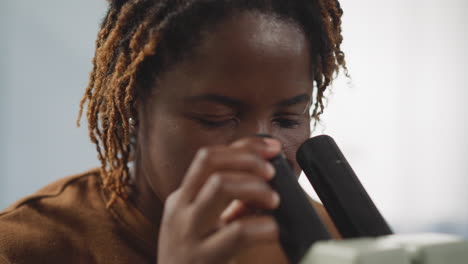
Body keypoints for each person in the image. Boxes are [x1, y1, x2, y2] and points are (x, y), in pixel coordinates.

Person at [0, 0, 348, 263]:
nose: (267, 152)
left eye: (288, 119)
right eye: (215, 117)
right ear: (135, 106)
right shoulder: (21, 246)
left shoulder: (334, 243)